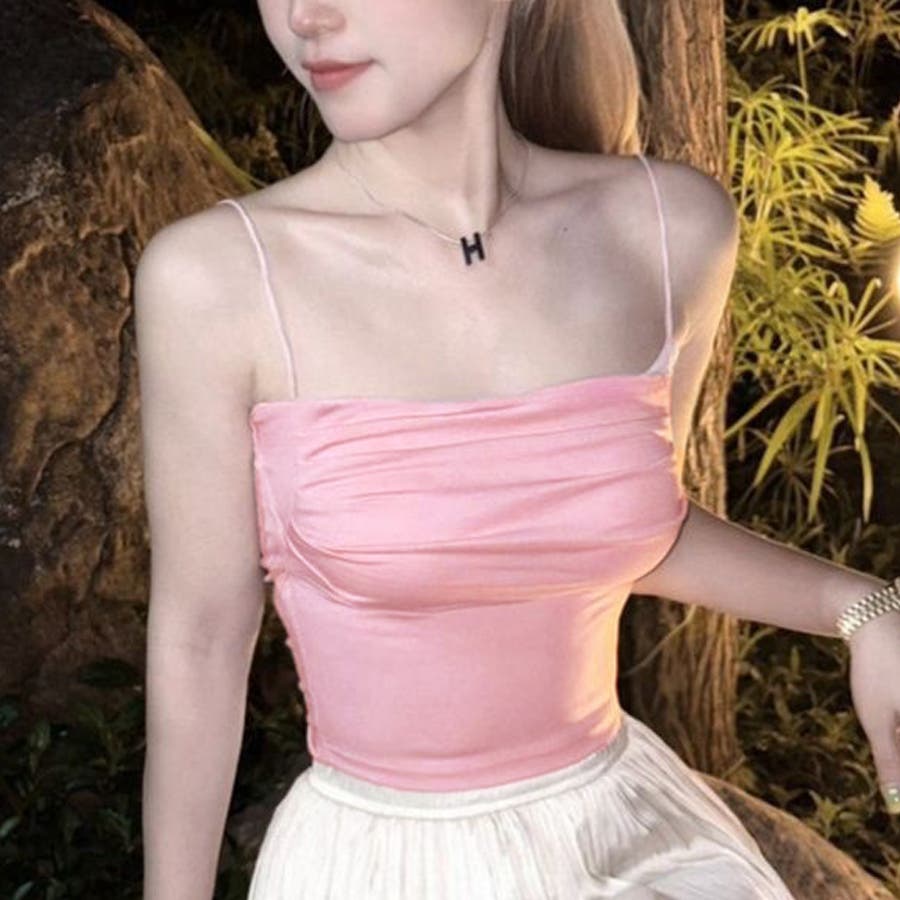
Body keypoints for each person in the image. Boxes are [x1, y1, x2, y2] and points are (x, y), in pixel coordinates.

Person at [135, 1, 900, 898]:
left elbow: (630, 532)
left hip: (630, 842)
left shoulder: (670, 228)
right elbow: (201, 639)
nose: (306, 16)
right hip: (385, 863)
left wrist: (862, 607)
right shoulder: (218, 279)